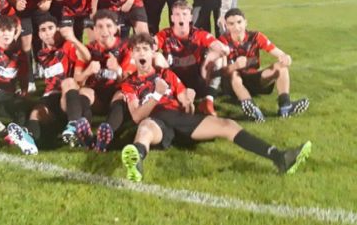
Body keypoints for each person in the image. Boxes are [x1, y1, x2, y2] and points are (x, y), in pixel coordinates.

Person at [120, 33, 311, 182]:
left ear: (152, 53)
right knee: (144, 128)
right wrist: (156, 96)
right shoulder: (130, 84)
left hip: (179, 119)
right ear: (132, 55)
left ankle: (280, 157)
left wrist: (188, 99)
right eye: (137, 50)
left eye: (145, 49)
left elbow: (185, 103)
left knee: (227, 124)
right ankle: (136, 161)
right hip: (157, 123)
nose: (142, 53)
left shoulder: (167, 75)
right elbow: (136, 116)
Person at [219, 8, 310, 122]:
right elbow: (220, 72)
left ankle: (285, 106)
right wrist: (235, 66)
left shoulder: (256, 37)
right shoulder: (222, 41)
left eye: (239, 22)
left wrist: (286, 58)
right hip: (232, 85)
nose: (236, 27)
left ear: (246, 22)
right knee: (234, 74)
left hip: (253, 80)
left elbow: (278, 53)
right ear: (226, 26)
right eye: (231, 24)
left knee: (281, 67)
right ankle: (252, 109)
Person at [24, 16, 93, 148]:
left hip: (67, 97)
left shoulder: (67, 46)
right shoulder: (42, 55)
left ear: (57, 30)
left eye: (50, 28)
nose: (47, 32)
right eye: (43, 30)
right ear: (39, 34)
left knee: (68, 82)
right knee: (36, 113)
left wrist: (72, 38)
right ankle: (30, 141)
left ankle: (74, 125)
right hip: (50, 96)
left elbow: (87, 56)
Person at [72, 10, 135, 151]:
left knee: (123, 94)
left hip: (117, 93)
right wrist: (88, 71)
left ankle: (105, 135)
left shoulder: (126, 47)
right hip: (97, 97)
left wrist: (117, 69)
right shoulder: (88, 50)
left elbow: (130, 79)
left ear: (116, 29)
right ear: (94, 30)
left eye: (108, 26)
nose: (104, 30)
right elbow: (77, 80)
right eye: (99, 26)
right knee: (83, 92)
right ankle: (85, 134)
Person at [155, 1, 229, 116]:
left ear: (190, 17)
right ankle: (166, 98)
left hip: (196, 78)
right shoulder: (164, 34)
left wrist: (208, 59)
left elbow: (224, 50)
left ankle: (208, 101)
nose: (181, 18)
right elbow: (151, 46)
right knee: (156, 56)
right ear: (172, 18)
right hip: (174, 81)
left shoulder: (198, 34)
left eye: (184, 14)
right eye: (177, 14)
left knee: (219, 58)